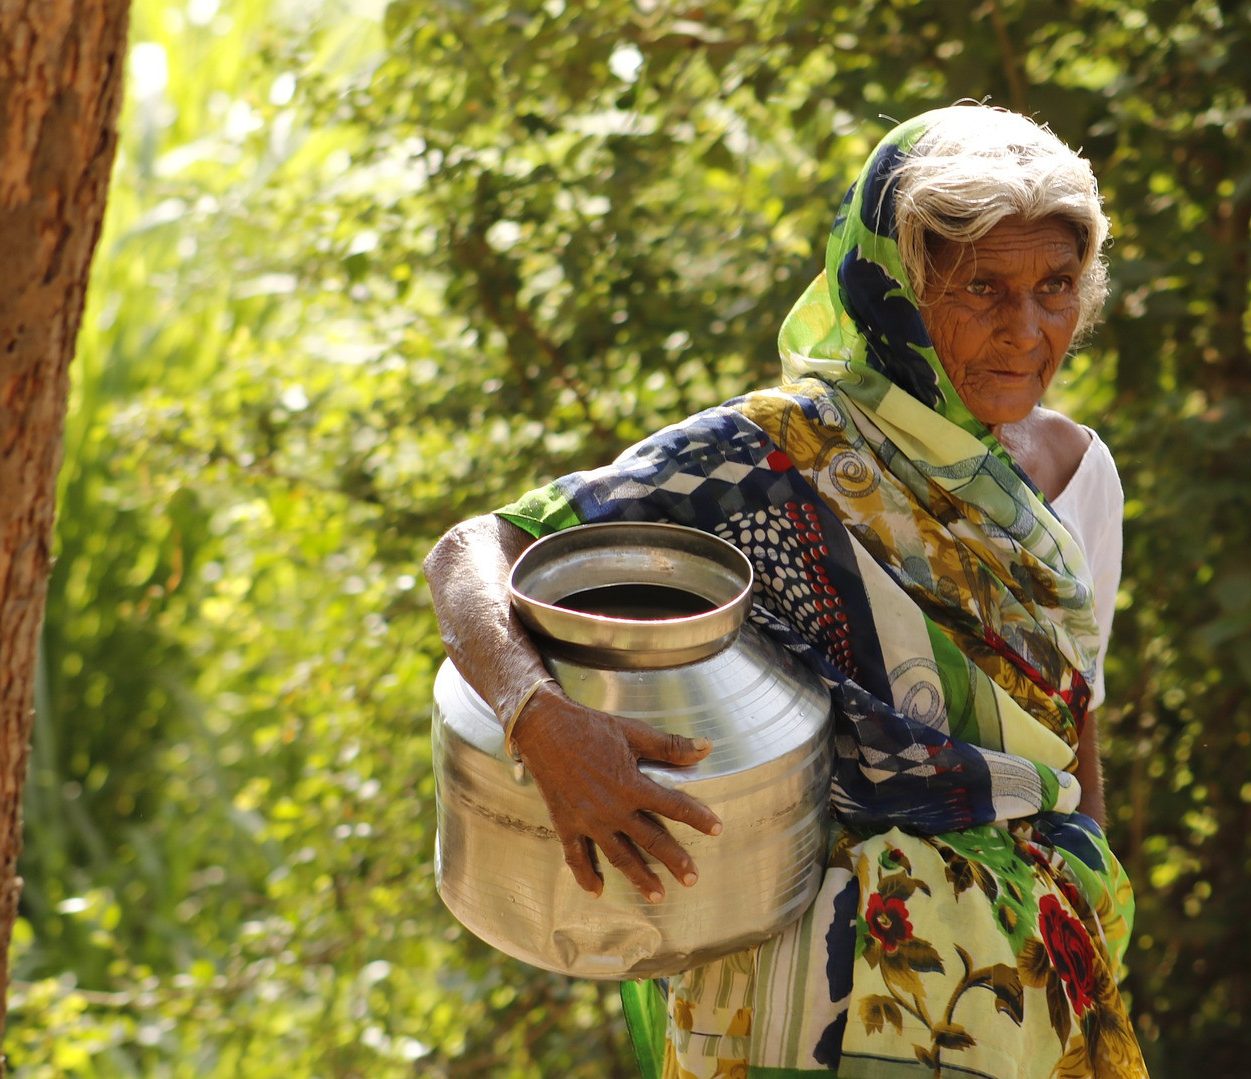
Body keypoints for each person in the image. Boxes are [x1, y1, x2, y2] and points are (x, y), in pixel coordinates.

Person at [425, 105, 1146, 1077]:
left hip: (1027, 989)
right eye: (984, 287)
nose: (1028, 330)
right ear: (898, 290)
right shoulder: (776, 452)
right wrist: (540, 719)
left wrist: (1094, 878)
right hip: (809, 993)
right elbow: (473, 549)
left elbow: (1073, 717)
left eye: (1056, 286)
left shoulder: (1078, 474)